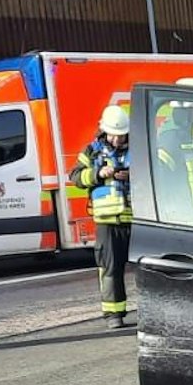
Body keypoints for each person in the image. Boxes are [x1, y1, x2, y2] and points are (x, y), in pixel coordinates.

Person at [71, 105, 134, 328]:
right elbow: (76, 176)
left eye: (122, 135)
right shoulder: (92, 151)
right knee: (110, 269)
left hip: (136, 221)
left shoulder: (138, 148)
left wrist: (133, 176)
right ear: (105, 131)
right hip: (108, 222)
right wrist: (98, 173)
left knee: (148, 270)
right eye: (114, 135)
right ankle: (113, 315)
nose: (117, 140)